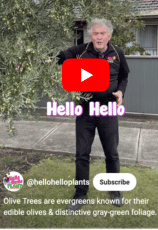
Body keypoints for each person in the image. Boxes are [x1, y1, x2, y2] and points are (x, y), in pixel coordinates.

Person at [57, 18, 130, 212]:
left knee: (112, 154)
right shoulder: (79, 51)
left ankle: (114, 191)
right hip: (85, 111)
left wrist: (121, 92)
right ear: (91, 36)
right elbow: (57, 58)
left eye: (102, 33)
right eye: (95, 33)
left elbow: (124, 76)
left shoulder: (117, 53)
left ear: (109, 35)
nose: (99, 37)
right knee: (82, 154)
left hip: (108, 111)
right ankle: (80, 194)